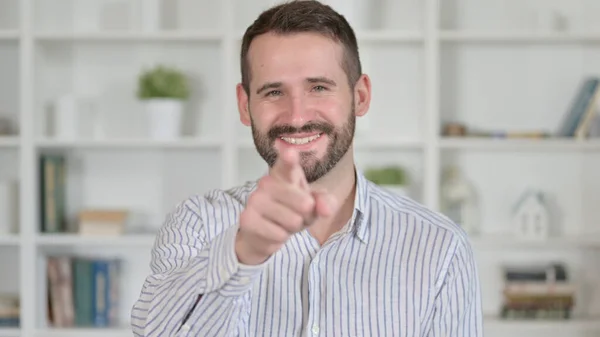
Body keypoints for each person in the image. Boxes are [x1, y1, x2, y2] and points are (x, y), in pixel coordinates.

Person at [130, 1, 484, 336]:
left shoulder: (440, 246)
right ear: (244, 105)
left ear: (360, 97)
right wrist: (242, 254)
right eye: (273, 92)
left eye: (318, 87)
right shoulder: (196, 224)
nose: (297, 116)